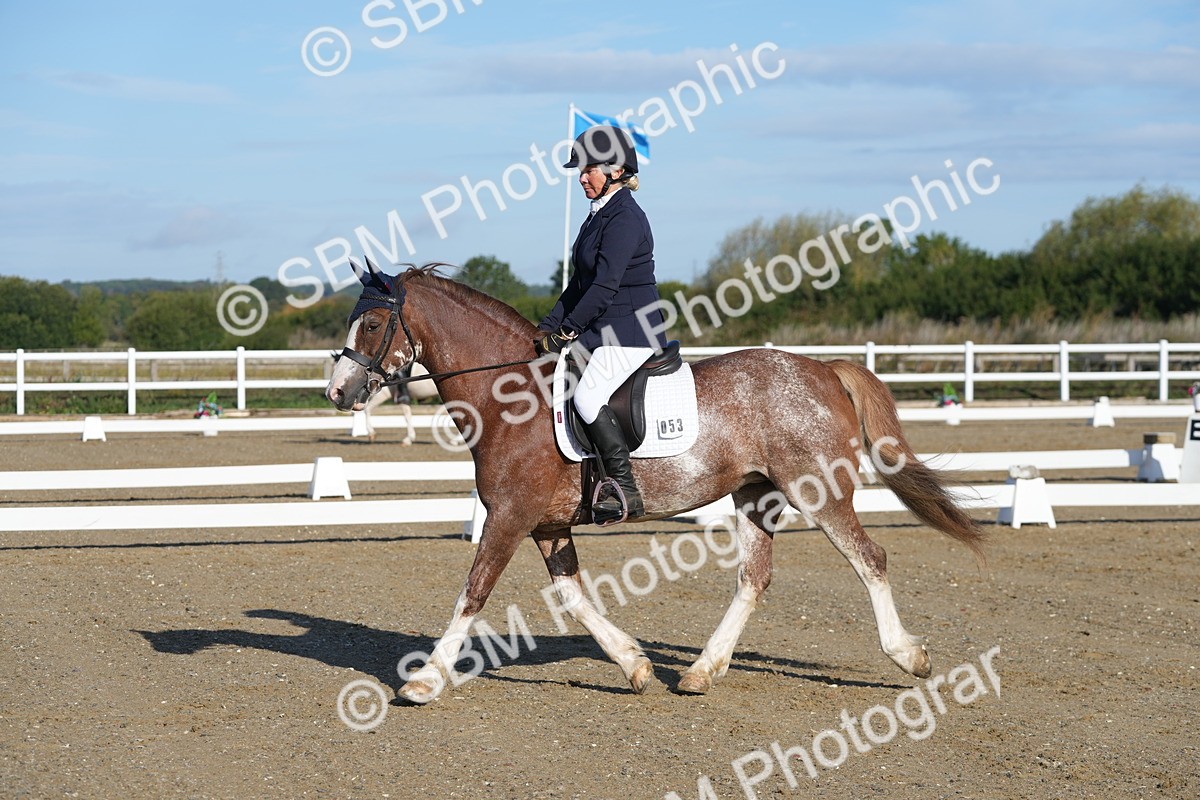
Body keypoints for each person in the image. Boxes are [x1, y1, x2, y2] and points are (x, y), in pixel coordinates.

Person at [535, 125, 668, 523]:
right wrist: (546, 327)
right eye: (580, 169)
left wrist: (568, 330)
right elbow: (580, 284)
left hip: (630, 331)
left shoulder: (625, 216)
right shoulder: (597, 217)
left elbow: (605, 286)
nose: (581, 177)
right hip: (604, 330)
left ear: (615, 170)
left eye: (589, 169)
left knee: (587, 397)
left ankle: (624, 487)